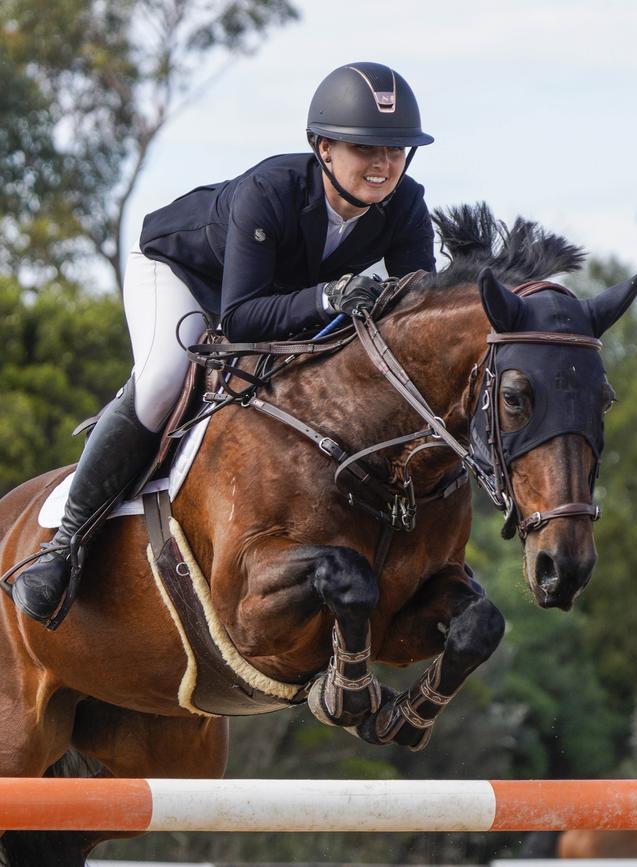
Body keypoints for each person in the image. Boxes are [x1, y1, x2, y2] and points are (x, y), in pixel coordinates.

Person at [12, 61, 436, 626]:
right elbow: (239, 319)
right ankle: (63, 546)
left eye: (397, 150)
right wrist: (329, 299)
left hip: (280, 293)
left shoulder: (406, 204)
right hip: (184, 276)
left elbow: (416, 309)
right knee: (163, 380)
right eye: (367, 148)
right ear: (325, 148)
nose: (384, 164)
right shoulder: (271, 191)